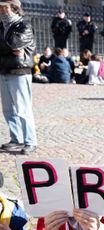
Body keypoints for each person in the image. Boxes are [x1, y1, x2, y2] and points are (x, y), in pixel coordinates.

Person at [0, 0, 38, 155]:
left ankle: (31, 141)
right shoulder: (2, 26)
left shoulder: (24, 25)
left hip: (19, 71)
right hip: (4, 70)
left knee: (23, 109)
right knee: (8, 109)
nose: (2, 11)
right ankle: (16, 139)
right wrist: (10, 50)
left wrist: (8, 48)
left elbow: (15, 43)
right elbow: (12, 48)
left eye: (4, 7)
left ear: (14, 8)